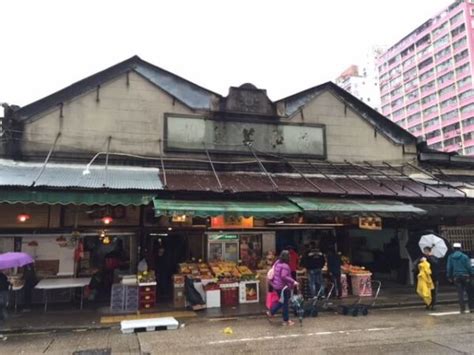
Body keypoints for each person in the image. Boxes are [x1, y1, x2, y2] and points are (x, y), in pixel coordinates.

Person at [267, 250, 298, 326]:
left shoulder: (277, 263)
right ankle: (286, 320)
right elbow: (284, 276)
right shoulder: (285, 266)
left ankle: (271, 312)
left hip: (277, 286)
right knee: (285, 303)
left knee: (282, 301)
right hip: (283, 287)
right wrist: (293, 281)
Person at [447, 243, 473, 313]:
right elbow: (469, 267)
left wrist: (449, 276)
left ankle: (462, 309)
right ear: (460, 248)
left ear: (453, 249)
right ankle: (471, 308)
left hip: (456, 277)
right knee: (469, 293)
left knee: (460, 294)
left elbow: (449, 268)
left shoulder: (450, 257)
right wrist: (472, 274)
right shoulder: (465, 256)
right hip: (466, 276)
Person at [0, 271, 10, 341]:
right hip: (2, 297)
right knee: (4, 316)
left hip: (3, 296)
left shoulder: (3, 275)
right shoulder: (3, 275)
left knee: (3, 316)